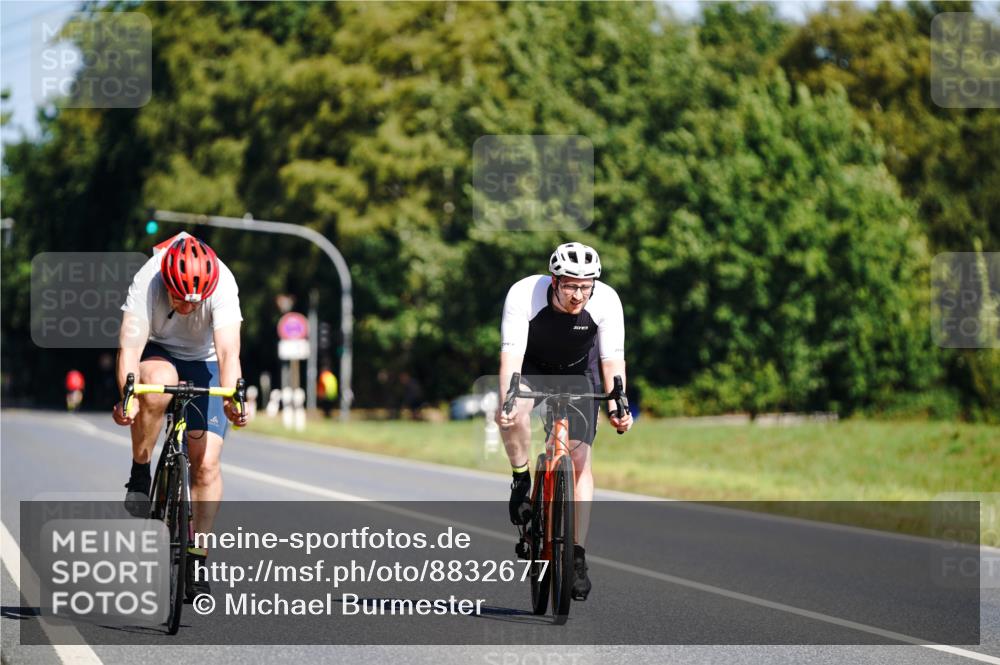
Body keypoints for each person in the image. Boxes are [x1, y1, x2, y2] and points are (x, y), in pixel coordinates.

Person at [495, 241, 633, 601]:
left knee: (579, 457)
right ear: (554, 281)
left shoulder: (606, 301)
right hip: (533, 369)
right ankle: (520, 480)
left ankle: (576, 556)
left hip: (578, 374)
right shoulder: (524, 294)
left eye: (586, 286)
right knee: (511, 415)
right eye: (571, 285)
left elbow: (612, 363)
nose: (578, 295)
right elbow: (511, 358)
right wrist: (508, 402)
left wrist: (618, 407)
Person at [112, 233, 247, 596]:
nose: (187, 307)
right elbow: (129, 347)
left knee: (207, 464)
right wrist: (128, 398)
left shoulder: (223, 282)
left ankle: (198, 556)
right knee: (158, 383)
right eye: (178, 298)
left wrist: (233, 399)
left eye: (194, 302)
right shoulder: (149, 277)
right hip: (160, 350)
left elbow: (228, 353)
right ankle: (140, 470)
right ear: (167, 284)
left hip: (206, 360)